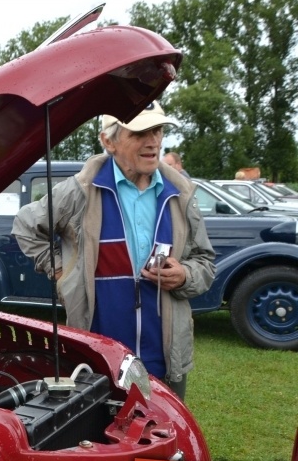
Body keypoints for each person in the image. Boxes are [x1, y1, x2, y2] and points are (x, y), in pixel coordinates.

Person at [11, 101, 215, 401]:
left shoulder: (180, 195)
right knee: (103, 440)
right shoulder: (80, 190)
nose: (153, 141)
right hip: (98, 359)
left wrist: (185, 275)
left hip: (165, 360)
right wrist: (61, 272)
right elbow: (26, 225)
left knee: (165, 440)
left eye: (157, 130)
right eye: (140, 132)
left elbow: (205, 262)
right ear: (109, 141)